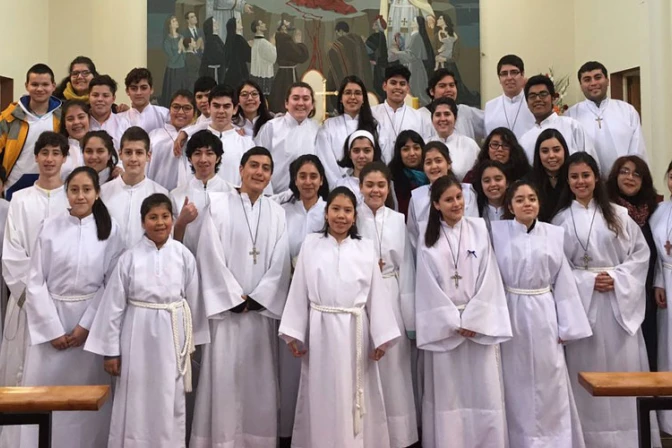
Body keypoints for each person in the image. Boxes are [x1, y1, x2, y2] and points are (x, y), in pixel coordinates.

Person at [551, 152, 660, 447]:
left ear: (596, 178)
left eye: (585, 175)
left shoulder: (619, 215)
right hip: (584, 307)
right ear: (568, 181)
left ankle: (631, 438)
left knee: (623, 368)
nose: (580, 181)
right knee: (586, 373)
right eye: (574, 177)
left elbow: (641, 256)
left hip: (618, 304)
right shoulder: (560, 220)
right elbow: (558, 267)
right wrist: (587, 281)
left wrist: (617, 278)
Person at [278, 186, 400, 447]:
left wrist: (381, 337)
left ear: (355, 216)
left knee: (355, 392)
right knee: (322, 393)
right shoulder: (311, 245)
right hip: (321, 331)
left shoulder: (365, 248)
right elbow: (299, 288)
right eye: (335, 209)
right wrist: (293, 333)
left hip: (355, 332)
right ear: (326, 213)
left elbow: (376, 294)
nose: (341, 216)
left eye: (347, 210)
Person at [84, 193, 209, 448]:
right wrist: (111, 352)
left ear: (172, 219)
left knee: (168, 396)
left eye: (165, 216)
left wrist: (192, 344)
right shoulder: (129, 258)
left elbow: (194, 300)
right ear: (143, 222)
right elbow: (114, 307)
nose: (160, 223)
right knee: (136, 398)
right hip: (136, 337)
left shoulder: (184, 255)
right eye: (153, 217)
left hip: (172, 338)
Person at [190, 147, 291, 448]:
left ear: (271, 175)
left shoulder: (277, 212)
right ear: (241, 169)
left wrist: (261, 297)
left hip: (259, 315)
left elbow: (281, 259)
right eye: (254, 166)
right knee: (223, 379)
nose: (259, 172)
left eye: (266, 168)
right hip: (226, 314)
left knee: (258, 383)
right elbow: (209, 253)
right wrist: (232, 297)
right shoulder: (218, 205)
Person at [17, 166, 124, 448]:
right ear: (66, 193)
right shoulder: (49, 227)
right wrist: (52, 330)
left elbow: (111, 284)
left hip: (89, 328)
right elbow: (35, 281)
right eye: (74, 190)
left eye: (87, 190)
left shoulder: (111, 230)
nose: (80, 196)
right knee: (44, 395)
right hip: (51, 321)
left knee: (86, 399)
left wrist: (85, 327)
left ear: (97, 193)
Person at [492, 180, 591, 448]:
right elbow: (492, 278)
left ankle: (555, 440)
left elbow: (564, 280)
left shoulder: (554, 234)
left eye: (532, 199)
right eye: (520, 199)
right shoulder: (496, 233)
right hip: (511, 310)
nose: (527, 204)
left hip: (544, 311)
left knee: (550, 377)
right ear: (510, 206)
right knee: (515, 379)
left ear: (539, 203)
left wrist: (567, 325)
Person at [415, 174, 512, 448]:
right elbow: (426, 283)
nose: (456, 204)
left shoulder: (479, 228)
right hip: (446, 329)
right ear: (436, 204)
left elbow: (489, 275)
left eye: (459, 197)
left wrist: (473, 319)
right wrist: (452, 321)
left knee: (484, 391)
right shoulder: (426, 235)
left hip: (478, 326)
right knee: (449, 397)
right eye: (449, 199)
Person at [0, 132, 69, 392]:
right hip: (26, 301)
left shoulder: (72, 197)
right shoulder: (20, 199)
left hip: (63, 299)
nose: (49, 159)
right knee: (22, 373)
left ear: (64, 158)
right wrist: (36, 296)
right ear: (36, 157)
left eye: (56, 153)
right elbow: (12, 253)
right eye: (45, 153)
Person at [357, 162, 418, 447]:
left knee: (393, 366)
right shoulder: (352, 215)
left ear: (388, 187)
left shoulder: (397, 219)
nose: (375, 190)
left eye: (381, 185)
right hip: (362, 295)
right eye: (369, 185)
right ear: (360, 187)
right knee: (364, 362)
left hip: (392, 291)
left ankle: (398, 435)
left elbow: (407, 267)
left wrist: (409, 318)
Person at [277, 154, 328, 445]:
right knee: (290, 366)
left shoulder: (329, 210)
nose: (308, 182)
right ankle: (288, 431)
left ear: (321, 179)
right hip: (289, 295)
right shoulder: (282, 211)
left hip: (321, 299)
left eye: (313, 176)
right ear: (294, 180)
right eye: (302, 176)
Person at [607, 156, 659, 372]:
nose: (630, 177)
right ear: (615, 176)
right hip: (620, 289)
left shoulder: (653, 211)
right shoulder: (608, 211)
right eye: (624, 172)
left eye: (637, 174)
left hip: (648, 288)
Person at [567, 61, 647, 177]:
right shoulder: (570, 115)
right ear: (581, 85)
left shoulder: (627, 111)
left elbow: (637, 148)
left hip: (623, 180)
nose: (593, 83)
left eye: (598, 77)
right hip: (587, 182)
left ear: (607, 80)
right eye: (587, 79)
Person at [0, 63, 62, 199]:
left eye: (45, 84)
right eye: (34, 84)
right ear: (26, 86)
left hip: (52, 185)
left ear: (53, 86)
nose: (39, 89)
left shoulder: (62, 117)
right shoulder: (9, 116)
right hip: (14, 185)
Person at [101, 127, 168, 249]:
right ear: (120, 154)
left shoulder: (161, 194)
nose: (133, 159)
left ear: (148, 156)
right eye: (128, 152)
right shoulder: (103, 192)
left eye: (139, 153)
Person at [407, 141, 478, 253]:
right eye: (428, 162)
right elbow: (413, 238)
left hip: (464, 252)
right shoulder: (416, 198)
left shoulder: (466, 193)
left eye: (438, 161)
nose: (434, 166)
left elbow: (473, 229)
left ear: (448, 163)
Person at [171, 130, 233, 249]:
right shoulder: (176, 195)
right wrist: (181, 222)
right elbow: (171, 245)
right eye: (197, 153)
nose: (203, 159)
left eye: (209, 153)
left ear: (218, 158)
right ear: (190, 159)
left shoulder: (231, 192)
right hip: (187, 257)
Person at [317, 76, 380, 187]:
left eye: (357, 93)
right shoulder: (329, 126)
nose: (352, 97)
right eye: (348, 93)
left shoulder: (374, 125)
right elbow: (325, 160)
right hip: (338, 186)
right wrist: (340, 186)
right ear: (341, 98)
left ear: (363, 99)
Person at [519, 75, 597, 165]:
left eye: (543, 94)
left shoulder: (572, 126)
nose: (538, 99)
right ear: (527, 102)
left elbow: (591, 164)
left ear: (553, 98)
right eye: (532, 96)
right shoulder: (524, 140)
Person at [256, 82, 319, 193]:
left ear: (312, 104)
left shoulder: (318, 130)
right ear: (286, 103)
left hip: (308, 196)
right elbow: (257, 161)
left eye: (305, 99)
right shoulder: (271, 127)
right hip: (274, 196)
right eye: (295, 98)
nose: (301, 103)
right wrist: (267, 195)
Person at [371, 65, 432, 163]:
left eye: (402, 84)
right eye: (393, 83)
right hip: (378, 169)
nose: (398, 87)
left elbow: (424, 148)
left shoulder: (419, 117)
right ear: (384, 86)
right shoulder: (372, 114)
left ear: (407, 88)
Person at [651, 161, 672, 433]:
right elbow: (658, 253)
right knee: (667, 348)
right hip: (666, 280)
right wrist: (658, 281)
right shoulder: (660, 211)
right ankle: (668, 420)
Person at [147, 90, 196, 191]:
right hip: (157, 193)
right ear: (169, 110)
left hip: (190, 195)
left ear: (194, 112)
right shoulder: (154, 136)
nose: (181, 112)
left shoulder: (197, 137)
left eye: (187, 108)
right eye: (176, 107)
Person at [420, 69, 485, 141]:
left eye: (452, 85)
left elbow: (490, 124)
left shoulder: (465, 111)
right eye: (442, 86)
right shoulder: (420, 116)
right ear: (432, 91)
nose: (448, 90)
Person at [426, 97, 479, 181]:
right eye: (438, 115)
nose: (442, 119)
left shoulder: (470, 145)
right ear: (432, 119)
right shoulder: (425, 144)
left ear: (455, 118)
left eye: (447, 114)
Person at [484, 54, 535, 140]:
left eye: (514, 72)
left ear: (522, 74)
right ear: (499, 78)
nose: (509, 77)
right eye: (504, 74)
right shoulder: (490, 106)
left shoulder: (532, 103)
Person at [326, 21, 375, 110]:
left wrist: (331, 49)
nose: (337, 36)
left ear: (340, 31)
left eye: (337, 33)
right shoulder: (358, 39)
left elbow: (332, 53)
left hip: (348, 78)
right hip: (362, 77)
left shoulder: (339, 44)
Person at [462, 127, 530, 184]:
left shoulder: (525, 175)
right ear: (487, 148)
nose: (500, 149)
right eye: (495, 144)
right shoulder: (473, 176)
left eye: (506, 145)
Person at [530, 128, 571, 222]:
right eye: (545, 151)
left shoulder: (574, 178)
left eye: (556, 150)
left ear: (564, 150)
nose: (551, 155)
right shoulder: (529, 182)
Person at [390, 16, 433, 105]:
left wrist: (397, 52)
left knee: (416, 88)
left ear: (418, 24)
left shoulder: (416, 36)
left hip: (415, 67)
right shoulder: (413, 36)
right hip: (413, 66)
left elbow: (412, 55)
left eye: (413, 21)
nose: (411, 22)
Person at [269, 20, 309, 113]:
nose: (289, 23)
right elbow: (300, 56)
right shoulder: (285, 40)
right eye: (287, 22)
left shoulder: (279, 38)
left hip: (283, 72)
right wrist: (299, 42)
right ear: (283, 27)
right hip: (288, 74)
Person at [388, 130, 428, 218]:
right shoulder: (392, 179)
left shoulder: (431, 175)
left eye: (416, 148)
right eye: (406, 149)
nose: (412, 153)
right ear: (399, 153)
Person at [334, 130, 382, 203]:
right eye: (356, 151)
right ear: (349, 154)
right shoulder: (340, 184)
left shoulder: (384, 182)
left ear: (374, 153)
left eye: (367, 151)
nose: (361, 156)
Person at [118, 68, 169, 133]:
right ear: (127, 91)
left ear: (151, 89)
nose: (138, 93)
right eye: (134, 88)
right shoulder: (119, 120)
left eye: (144, 88)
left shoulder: (165, 115)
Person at [88, 75, 131, 150]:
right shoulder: (81, 124)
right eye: (95, 95)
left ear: (113, 98)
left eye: (105, 96)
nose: (100, 99)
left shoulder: (124, 124)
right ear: (88, 96)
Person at [472, 160, 508, 230]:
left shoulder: (515, 209)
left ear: (507, 183)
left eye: (498, 179)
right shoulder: (475, 209)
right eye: (487, 181)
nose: (493, 184)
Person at [59, 100, 89, 180]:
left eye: (81, 117)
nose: (76, 122)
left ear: (89, 119)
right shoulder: (58, 149)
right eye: (70, 119)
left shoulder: (101, 144)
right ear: (64, 124)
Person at [162, 16, 188, 106]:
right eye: (173, 21)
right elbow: (172, 59)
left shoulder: (181, 37)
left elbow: (184, 56)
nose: (176, 22)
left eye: (176, 20)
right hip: (172, 71)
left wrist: (183, 50)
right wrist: (179, 49)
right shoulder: (167, 41)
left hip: (182, 68)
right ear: (169, 25)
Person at [222, 17, 251, 90]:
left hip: (230, 73)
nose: (240, 23)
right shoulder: (240, 39)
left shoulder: (229, 40)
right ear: (234, 26)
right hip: (240, 72)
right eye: (238, 22)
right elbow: (249, 57)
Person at [250, 19, 277, 96]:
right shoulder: (264, 43)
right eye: (262, 23)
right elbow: (273, 58)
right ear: (258, 28)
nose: (264, 24)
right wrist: (273, 44)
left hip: (255, 75)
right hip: (264, 75)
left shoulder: (255, 42)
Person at [365, 15, 389, 101]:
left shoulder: (375, 36)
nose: (373, 25)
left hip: (375, 66)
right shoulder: (382, 36)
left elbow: (367, 50)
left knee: (376, 85)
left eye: (375, 24)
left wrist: (363, 42)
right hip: (380, 65)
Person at [200, 18, 227, 83]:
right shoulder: (211, 40)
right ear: (210, 26)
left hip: (219, 70)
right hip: (213, 72)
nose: (217, 23)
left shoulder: (216, 37)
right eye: (214, 23)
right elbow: (218, 56)